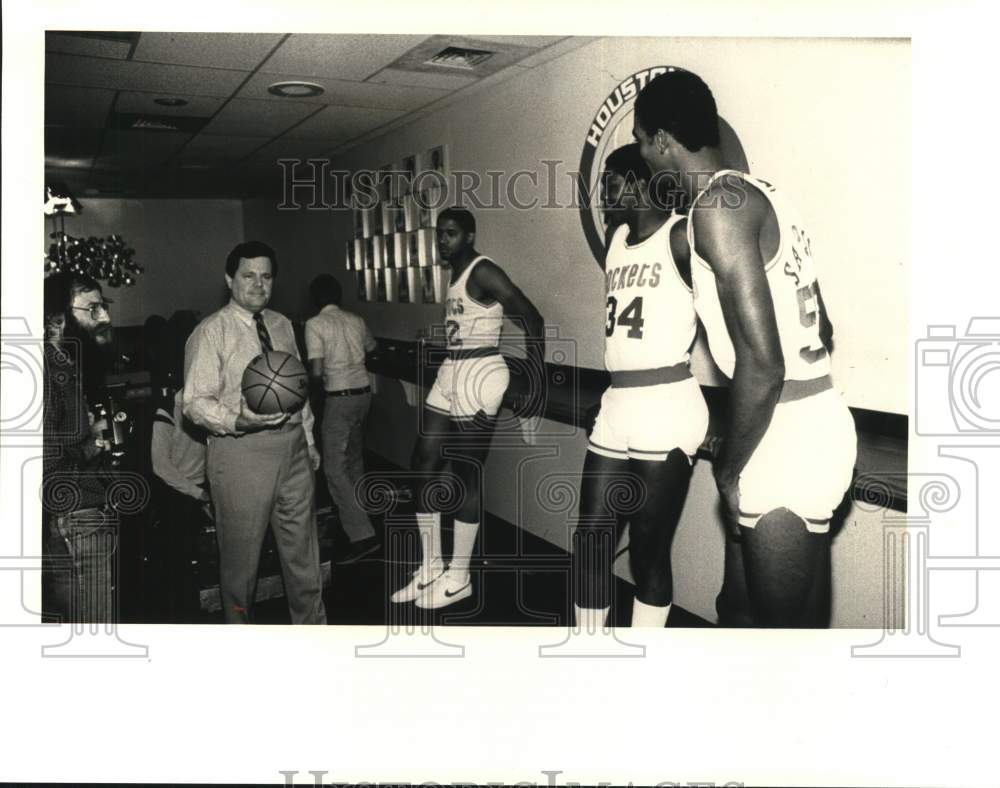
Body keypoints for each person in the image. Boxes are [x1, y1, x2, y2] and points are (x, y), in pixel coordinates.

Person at [634, 69, 857, 626]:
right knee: (736, 607)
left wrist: (729, 469)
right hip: (816, 418)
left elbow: (763, 363)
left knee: (778, 651)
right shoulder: (765, 194)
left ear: (662, 140)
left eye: (641, 141)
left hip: (781, 435)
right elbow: (823, 328)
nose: (642, 155)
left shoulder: (717, 208)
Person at [571, 144, 708, 630]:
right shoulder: (616, 239)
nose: (602, 193)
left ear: (635, 183)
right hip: (618, 402)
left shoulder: (680, 239)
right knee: (590, 541)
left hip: (667, 402)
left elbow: (724, 317)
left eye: (609, 182)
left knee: (648, 551)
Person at [391, 207, 546, 609]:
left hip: (481, 372)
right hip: (451, 370)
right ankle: (430, 567)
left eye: (452, 234)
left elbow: (532, 317)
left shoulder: (483, 270)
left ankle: (459, 578)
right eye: (440, 234)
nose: (444, 240)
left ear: (470, 236)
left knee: (464, 473)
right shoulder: (454, 273)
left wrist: (535, 381)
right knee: (422, 461)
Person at [182, 241, 326, 625]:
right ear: (230, 279)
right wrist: (237, 421)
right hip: (240, 452)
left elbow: (298, 388)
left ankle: (316, 635)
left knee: (303, 556)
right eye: (248, 275)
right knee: (240, 568)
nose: (258, 285)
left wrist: (309, 440)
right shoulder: (211, 331)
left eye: (266, 276)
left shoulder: (281, 324)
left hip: (293, 448)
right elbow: (194, 402)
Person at [41, 271, 117, 623]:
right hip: (75, 514)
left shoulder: (69, 368)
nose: (105, 317)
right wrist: (94, 445)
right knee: (92, 628)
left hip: (84, 512)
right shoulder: (47, 374)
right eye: (93, 308)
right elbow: (46, 465)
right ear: (57, 319)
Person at [304, 274, 380, 565]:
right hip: (363, 395)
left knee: (334, 468)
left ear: (315, 299)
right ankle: (359, 513)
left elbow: (316, 371)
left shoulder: (315, 324)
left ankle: (362, 535)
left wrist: (310, 397)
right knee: (354, 459)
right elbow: (372, 349)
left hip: (339, 397)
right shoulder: (356, 320)